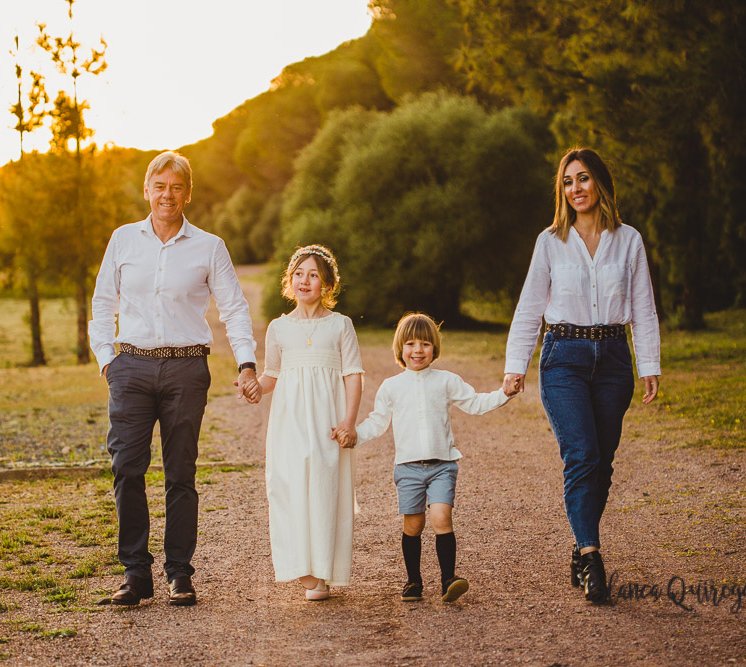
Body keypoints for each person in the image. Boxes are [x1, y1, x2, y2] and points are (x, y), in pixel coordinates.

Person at [89, 150, 261, 607]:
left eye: (176, 187)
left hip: (187, 368)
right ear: (147, 190)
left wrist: (246, 363)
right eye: (159, 186)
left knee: (180, 473)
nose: (167, 194)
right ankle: (135, 573)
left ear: (188, 193)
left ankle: (179, 573)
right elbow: (103, 303)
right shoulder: (123, 240)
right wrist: (109, 360)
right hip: (131, 367)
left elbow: (234, 309)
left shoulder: (209, 246)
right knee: (127, 468)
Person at [502, 147, 661, 604]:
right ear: (562, 190)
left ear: (601, 184)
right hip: (563, 356)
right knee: (582, 454)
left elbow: (644, 307)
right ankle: (592, 556)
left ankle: (579, 541)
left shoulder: (628, 239)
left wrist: (648, 364)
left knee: (603, 462)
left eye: (584, 178)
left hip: (613, 358)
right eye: (568, 182)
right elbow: (530, 306)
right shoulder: (550, 241)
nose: (576, 189)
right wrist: (516, 366)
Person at [344, 313, 518, 603]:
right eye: (411, 343)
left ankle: (449, 579)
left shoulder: (446, 381)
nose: (418, 350)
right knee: (413, 525)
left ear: (434, 348)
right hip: (408, 468)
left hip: (442, 466)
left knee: (441, 517)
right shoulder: (391, 386)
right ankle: (413, 582)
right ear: (400, 348)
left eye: (425, 344)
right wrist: (353, 435)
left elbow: (475, 403)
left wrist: (504, 393)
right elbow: (377, 422)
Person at [245, 244, 363, 601]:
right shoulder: (279, 328)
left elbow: (353, 374)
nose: (305, 280)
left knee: (326, 489)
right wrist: (255, 389)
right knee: (290, 488)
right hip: (290, 422)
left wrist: (349, 421)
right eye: (298, 274)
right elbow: (271, 376)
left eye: (313, 275)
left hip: (328, 421)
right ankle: (301, 567)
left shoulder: (340, 325)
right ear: (289, 281)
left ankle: (323, 569)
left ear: (326, 283)